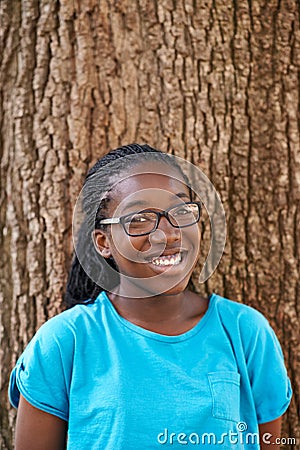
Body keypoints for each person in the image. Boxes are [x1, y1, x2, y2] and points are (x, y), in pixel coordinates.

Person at [9, 144, 292, 449]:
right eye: (140, 219)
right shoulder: (65, 342)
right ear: (104, 242)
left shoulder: (245, 333)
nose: (168, 234)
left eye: (182, 212)